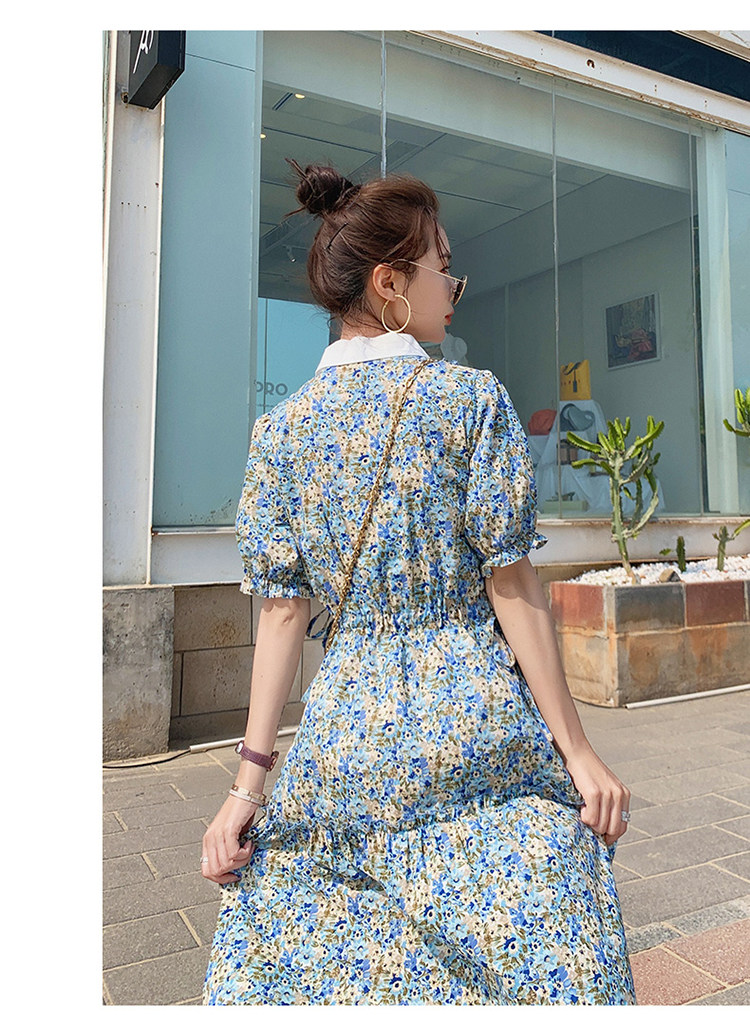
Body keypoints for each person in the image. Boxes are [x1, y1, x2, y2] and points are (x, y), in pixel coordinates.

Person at [201, 161, 636, 1005]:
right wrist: (579, 752)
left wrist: (246, 787)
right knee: (540, 934)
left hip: (346, 738)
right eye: (444, 266)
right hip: (473, 721)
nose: (455, 287)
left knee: (337, 953)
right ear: (390, 283)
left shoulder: (279, 433)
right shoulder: (470, 402)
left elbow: (282, 617)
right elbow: (512, 586)